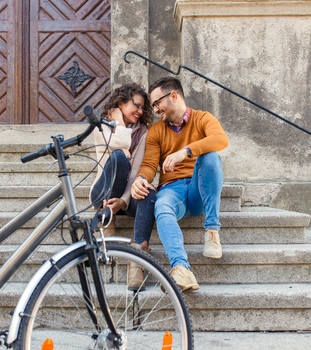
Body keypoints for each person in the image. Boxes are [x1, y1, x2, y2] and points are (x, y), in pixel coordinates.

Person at [131, 77, 229, 292]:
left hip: (199, 189)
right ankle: (181, 269)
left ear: (173, 96)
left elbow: (221, 139)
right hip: (172, 190)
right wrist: (140, 179)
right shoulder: (156, 131)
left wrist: (185, 152)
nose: (155, 109)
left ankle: (212, 231)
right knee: (162, 206)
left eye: (157, 103)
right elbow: (149, 165)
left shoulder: (203, 118)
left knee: (211, 157)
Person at [89, 83, 156, 290]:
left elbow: (136, 171)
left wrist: (124, 201)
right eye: (136, 105)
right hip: (102, 192)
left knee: (148, 189)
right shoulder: (101, 126)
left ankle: (137, 262)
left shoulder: (143, 132)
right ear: (120, 103)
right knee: (119, 157)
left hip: (125, 198)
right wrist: (118, 122)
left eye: (143, 107)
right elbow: (120, 148)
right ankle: (107, 220)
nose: (140, 111)